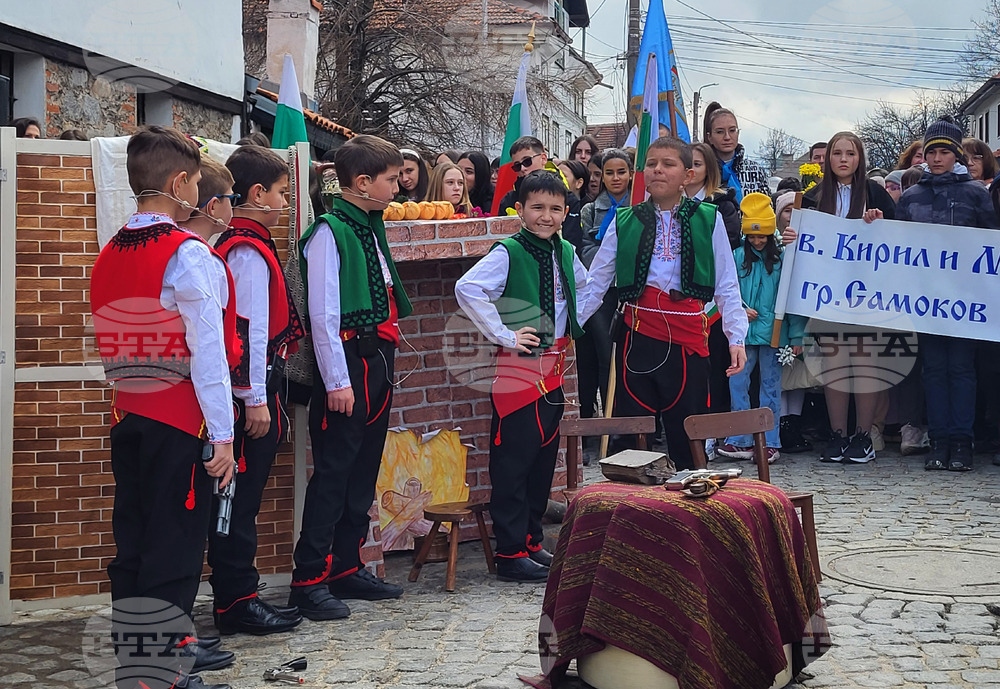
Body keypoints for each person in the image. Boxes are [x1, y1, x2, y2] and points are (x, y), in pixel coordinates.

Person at [90, 126, 240, 689]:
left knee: (133, 542)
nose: (199, 194)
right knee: (174, 547)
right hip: (179, 419)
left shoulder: (109, 251)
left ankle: (139, 659)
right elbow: (207, 357)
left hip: (126, 414)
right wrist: (222, 437)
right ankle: (164, 670)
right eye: (198, 184)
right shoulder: (189, 255)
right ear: (180, 182)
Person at [290, 135, 412, 618]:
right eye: (390, 179)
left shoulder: (369, 226)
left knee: (362, 469)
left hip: (377, 359)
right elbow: (323, 314)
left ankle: (345, 566)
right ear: (362, 183)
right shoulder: (330, 231)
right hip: (348, 363)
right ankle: (310, 579)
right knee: (334, 473)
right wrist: (337, 381)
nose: (398, 187)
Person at [454, 170, 590, 582]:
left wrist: (571, 326)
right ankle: (511, 551)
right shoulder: (508, 251)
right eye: (537, 208)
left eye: (554, 209)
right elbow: (468, 288)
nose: (546, 216)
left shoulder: (565, 251)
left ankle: (532, 540)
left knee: (541, 458)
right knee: (513, 461)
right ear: (520, 210)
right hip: (518, 368)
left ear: (566, 212)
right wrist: (504, 333)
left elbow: (583, 287)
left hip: (552, 368)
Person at [582, 137, 748, 471]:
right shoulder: (624, 220)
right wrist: (565, 330)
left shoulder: (708, 219)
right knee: (632, 434)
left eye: (668, 164)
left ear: (687, 175)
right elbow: (595, 284)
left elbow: (727, 284)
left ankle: (690, 510)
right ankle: (634, 511)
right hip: (637, 338)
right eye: (652, 163)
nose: (658, 170)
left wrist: (736, 337)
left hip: (688, 340)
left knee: (687, 431)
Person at [210, 145, 306, 635]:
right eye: (282, 194)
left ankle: (238, 594)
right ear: (257, 194)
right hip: (250, 388)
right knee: (238, 500)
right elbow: (247, 331)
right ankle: (235, 601)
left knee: (242, 498)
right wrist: (255, 400)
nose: (287, 203)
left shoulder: (246, 243)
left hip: (251, 385)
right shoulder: (246, 249)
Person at [896, 116, 1000, 471]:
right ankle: (939, 441)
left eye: (944, 152)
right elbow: (897, 248)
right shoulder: (911, 197)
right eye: (932, 152)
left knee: (962, 369)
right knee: (934, 370)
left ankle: (962, 442)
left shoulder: (975, 194)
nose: (937, 158)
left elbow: (990, 244)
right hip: (927, 302)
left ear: (956, 155)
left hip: (966, 303)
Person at [801, 131, 895, 464]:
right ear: (828, 159)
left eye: (850, 153)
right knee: (835, 365)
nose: (843, 159)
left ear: (859, 159)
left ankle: (862, 435)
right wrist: (791, 237)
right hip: (828, 296)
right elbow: (802, 245)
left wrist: (880, 223)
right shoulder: (812, 198)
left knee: (866, 363)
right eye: (837, 153)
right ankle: (837, 435)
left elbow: (900, 243)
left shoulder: (875, 194)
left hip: (868, 296)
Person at [717, 194, 805, 464]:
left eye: (762, 237)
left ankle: (769, 441)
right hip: (742, 335)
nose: (757, 242)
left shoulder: (783, 259)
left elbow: (794, 299)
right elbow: (725, 291)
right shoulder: (735, 256)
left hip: (774, 334)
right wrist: (739, 312)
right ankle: (740, 439)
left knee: (770, 388)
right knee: (738, 383)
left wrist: (797, 335)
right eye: (752, 237)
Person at [578, 149, 633, 439]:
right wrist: (613, 255)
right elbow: (587, 250)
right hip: (602, 292)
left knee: (629, 358)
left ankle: (631, 425)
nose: (615, 178)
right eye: (608, 172)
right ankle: (608, 429)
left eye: (621, 172)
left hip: (630, 291)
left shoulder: (640, 207)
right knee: (605, 356)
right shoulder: (590, 210)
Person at [498, 136, 583, 248]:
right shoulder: (509, 200)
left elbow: (573, 243)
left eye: (527, 161)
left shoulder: (569, 198)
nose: (523, 168)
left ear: (543, 158)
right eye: (517, 166)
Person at [702, 102, 770, 201]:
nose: (727, 137)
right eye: (720, 132)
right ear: (709, 137)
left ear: (738, 132)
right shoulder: (703, 170)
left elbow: (767, 208)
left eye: (732, 130)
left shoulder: (755, 170)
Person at [686, 142, 740, 248]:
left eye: (697, 164)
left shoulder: (724, 205)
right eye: (687, 164)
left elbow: (729, 244)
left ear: (708, 168)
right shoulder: (671, 201)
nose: (691, 169)